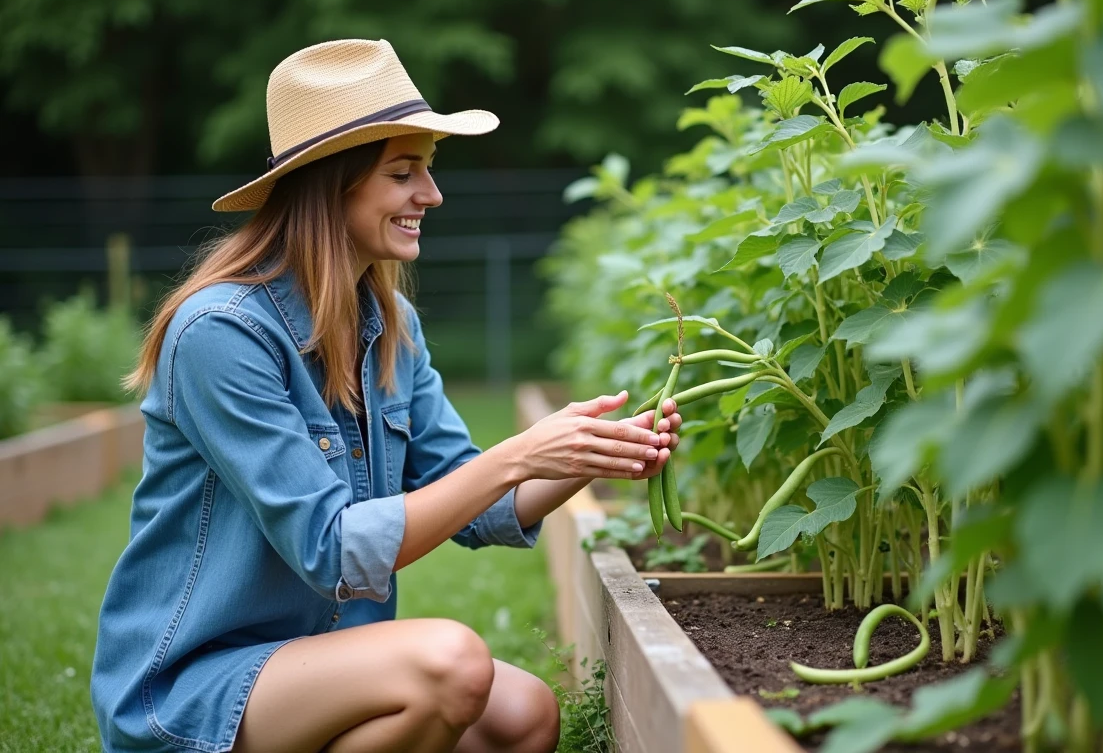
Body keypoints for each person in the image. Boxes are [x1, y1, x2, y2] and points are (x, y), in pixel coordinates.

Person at [90, 38, 682, 753]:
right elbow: (330, 549)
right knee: (452, 665)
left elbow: (480, 503)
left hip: (327, 664)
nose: (430, 196)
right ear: (331, 185)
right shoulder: (220, 334)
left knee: (522, 716)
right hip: (195, 686)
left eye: (426, 172)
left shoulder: (392, 327)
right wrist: (521, 454)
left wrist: (588, 452)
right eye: (404, 174)